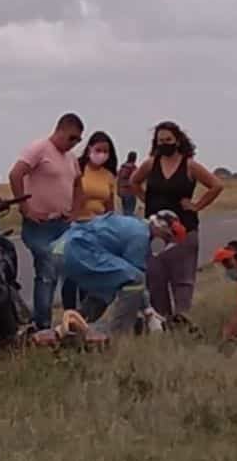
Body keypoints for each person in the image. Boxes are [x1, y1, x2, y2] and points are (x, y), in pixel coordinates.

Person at [130, 121, 224, 320]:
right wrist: (146, 200)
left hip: (184, 231)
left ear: (178, 140)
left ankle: (182, 320)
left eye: (168, 140)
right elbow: (134, 182)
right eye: (160, 141)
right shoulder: (150, 164)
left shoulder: (189, 165)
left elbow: (216, 185)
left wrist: (197, 205)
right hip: (155, 234)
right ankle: (161, 321)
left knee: (182, 280)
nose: (164, 144)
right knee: (156, 279)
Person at [53, 210, 187, 335]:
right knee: (135, 280)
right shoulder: (141, 236)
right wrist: (148, 311)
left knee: (107, 290)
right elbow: (136, 276)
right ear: (158, 227)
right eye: (166, 237)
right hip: (78, 250)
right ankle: (117, 334)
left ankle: (74, 324)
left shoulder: (136, 225)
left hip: (62, 249)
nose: (164, 243)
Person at [9, 113, 85, 330]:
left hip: (62, 223)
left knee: (70, 270)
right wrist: (26, 208)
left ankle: (72, 320)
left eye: (78, 140)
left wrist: (75, 211)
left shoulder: (70, 158)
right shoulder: (39, 148)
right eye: (72, 138)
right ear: (60, 130)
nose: (74, 144)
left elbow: (79, 184)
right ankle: (42, 324)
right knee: (47, 270)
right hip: (40, 225)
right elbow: (16, 174)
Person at [61, 131, 119, 310]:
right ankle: (68, 313)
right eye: (98, 149)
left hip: (97, 228)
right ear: (89, 149)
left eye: (106, 151)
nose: (101, 154)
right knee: (71, 275)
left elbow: (110, 205)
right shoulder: (77, 169)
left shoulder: (108, 176)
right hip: (75, 225)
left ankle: (83, 316)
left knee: (89, 274)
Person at [117, 151, 139, 216]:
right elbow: (136, 179)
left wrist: (118, 190)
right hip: (130, 192)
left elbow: (119, 180)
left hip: (122, 191)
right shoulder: (133, 168)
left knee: (125, 211)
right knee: (130, 212)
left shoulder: (122, 167)